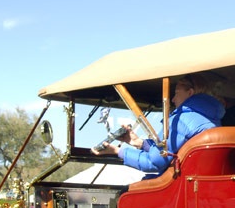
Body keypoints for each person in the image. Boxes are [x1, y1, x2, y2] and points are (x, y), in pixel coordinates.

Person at [95, 73, 223, 176]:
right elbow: (170, 151)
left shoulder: (180, 120)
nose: (173, 99)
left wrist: (117, 151)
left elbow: (154, 162)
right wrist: (139, 143)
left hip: (181, 186)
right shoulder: (213, 119)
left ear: (190, 93)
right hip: (202, 183)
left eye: (176, 93)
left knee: (124, 194)